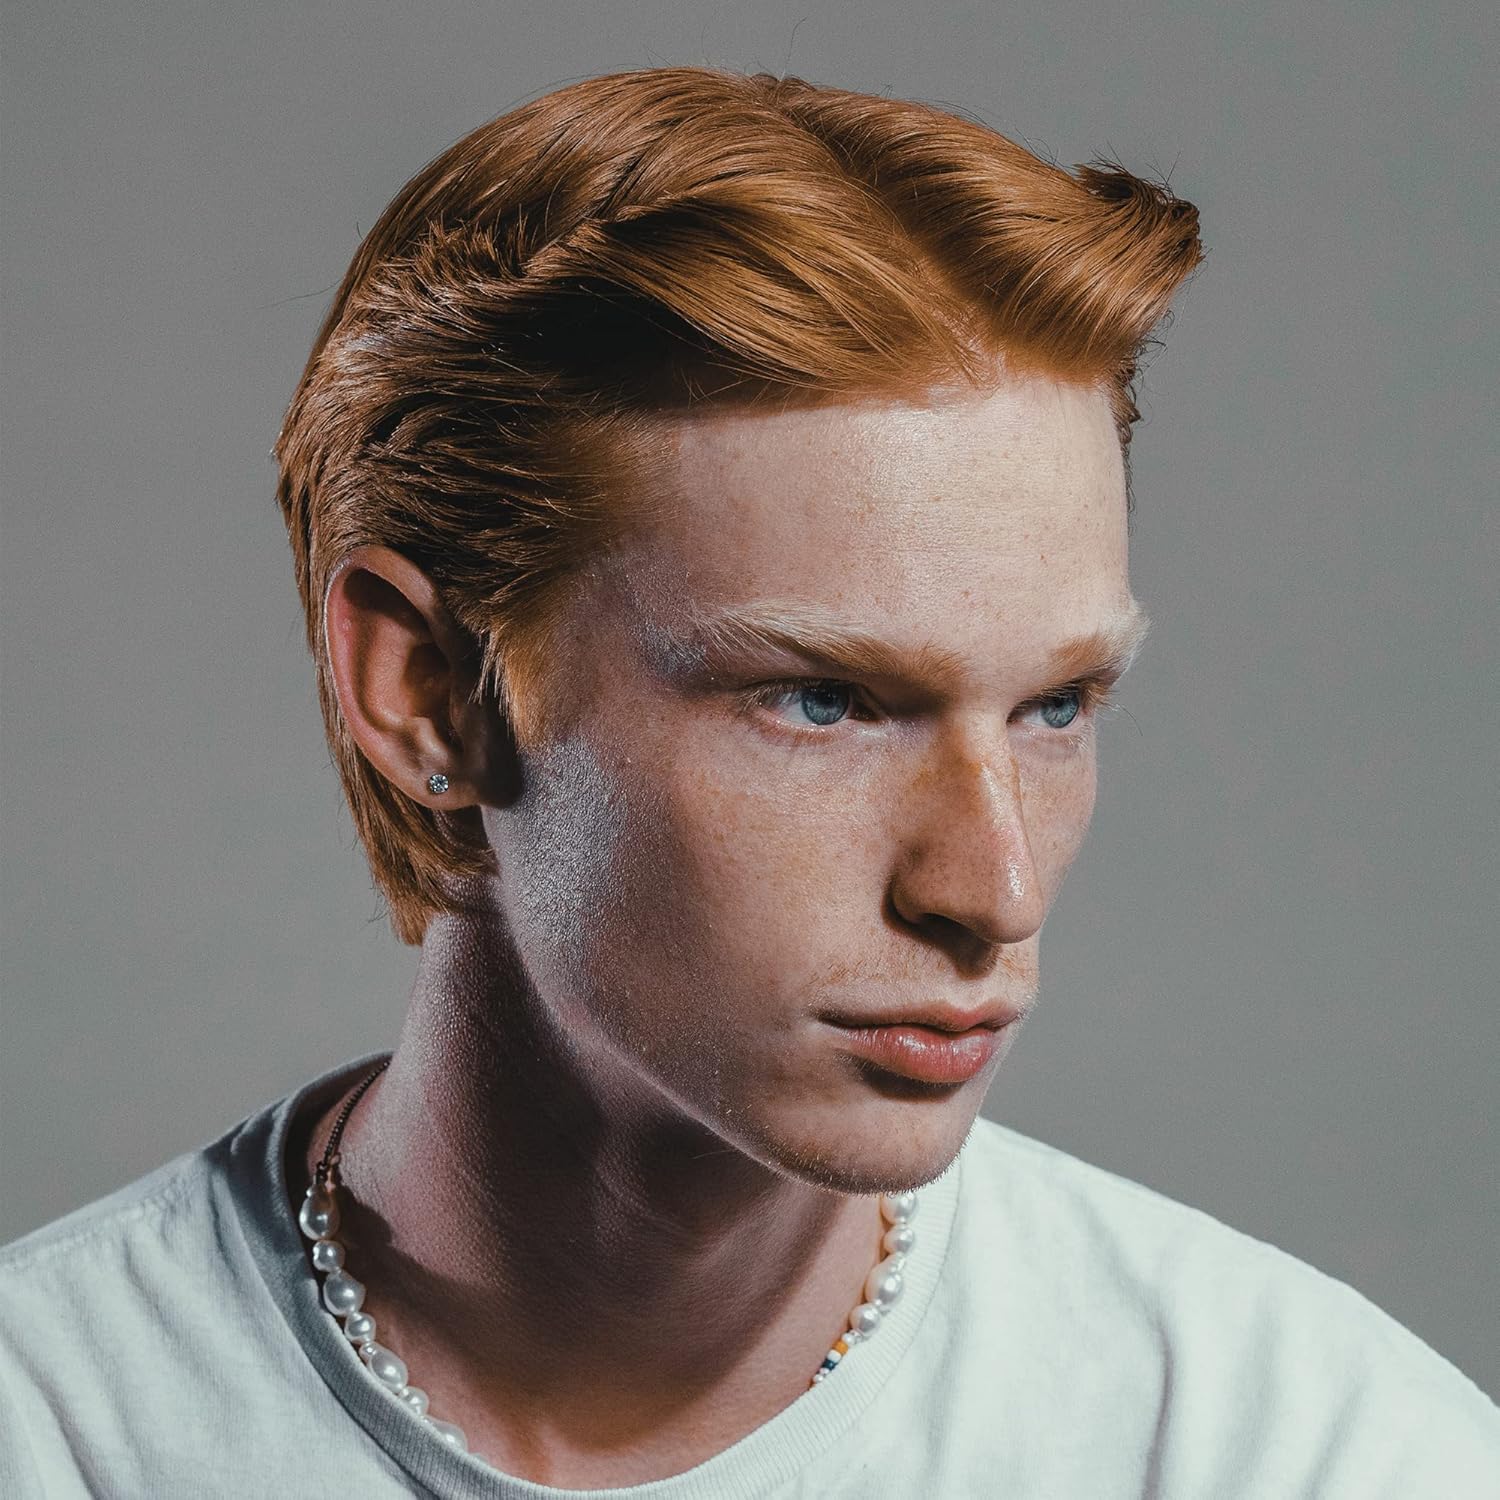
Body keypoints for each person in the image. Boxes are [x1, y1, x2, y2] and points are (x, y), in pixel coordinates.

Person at [1, 64, 1495, 1499]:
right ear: (428, 693)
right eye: (823, 701)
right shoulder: (51, 1435)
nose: (993, 891)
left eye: (1056, 706)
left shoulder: (1318, 1456)